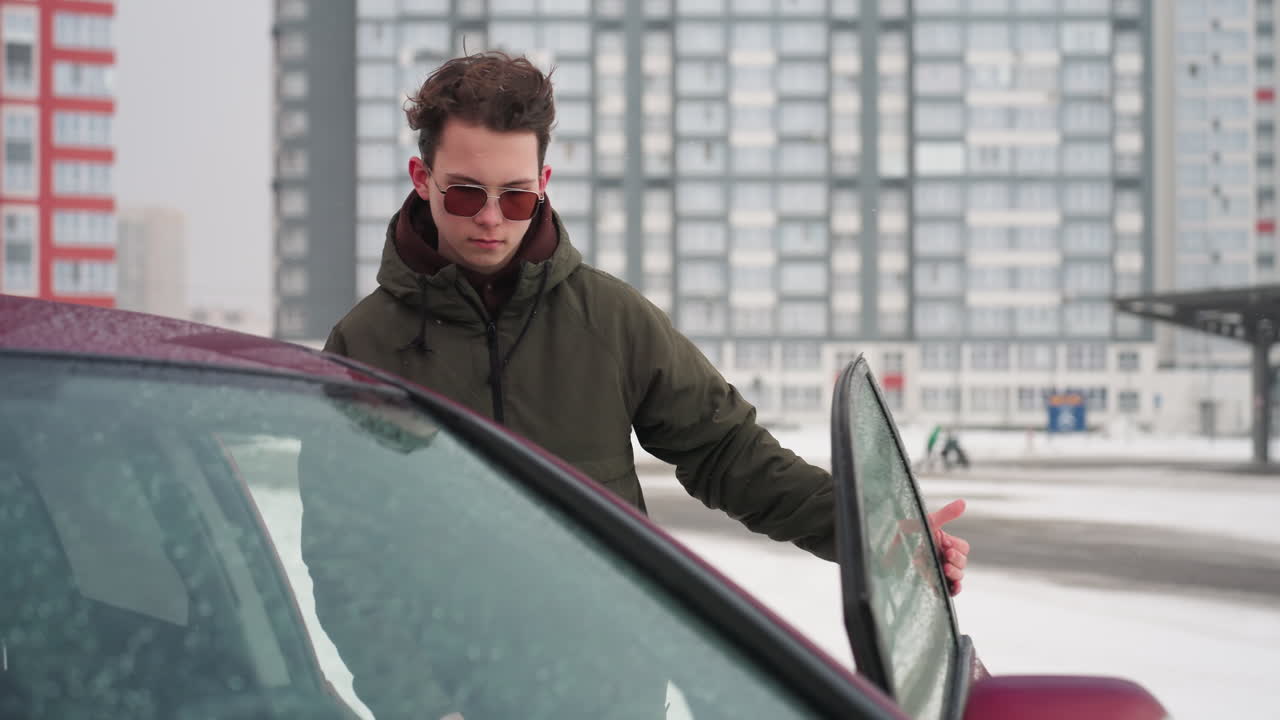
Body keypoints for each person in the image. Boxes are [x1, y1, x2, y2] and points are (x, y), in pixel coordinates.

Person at [308, 51, 970, 717]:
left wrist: (875, 531)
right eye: (465, 193)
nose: (491, 219)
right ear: (422, 178)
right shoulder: (365, 347)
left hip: (607, 697)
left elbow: (729, 454)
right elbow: (344, 559)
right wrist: (420, 708)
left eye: (515, 196)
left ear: (543, 181)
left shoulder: (609, 319)